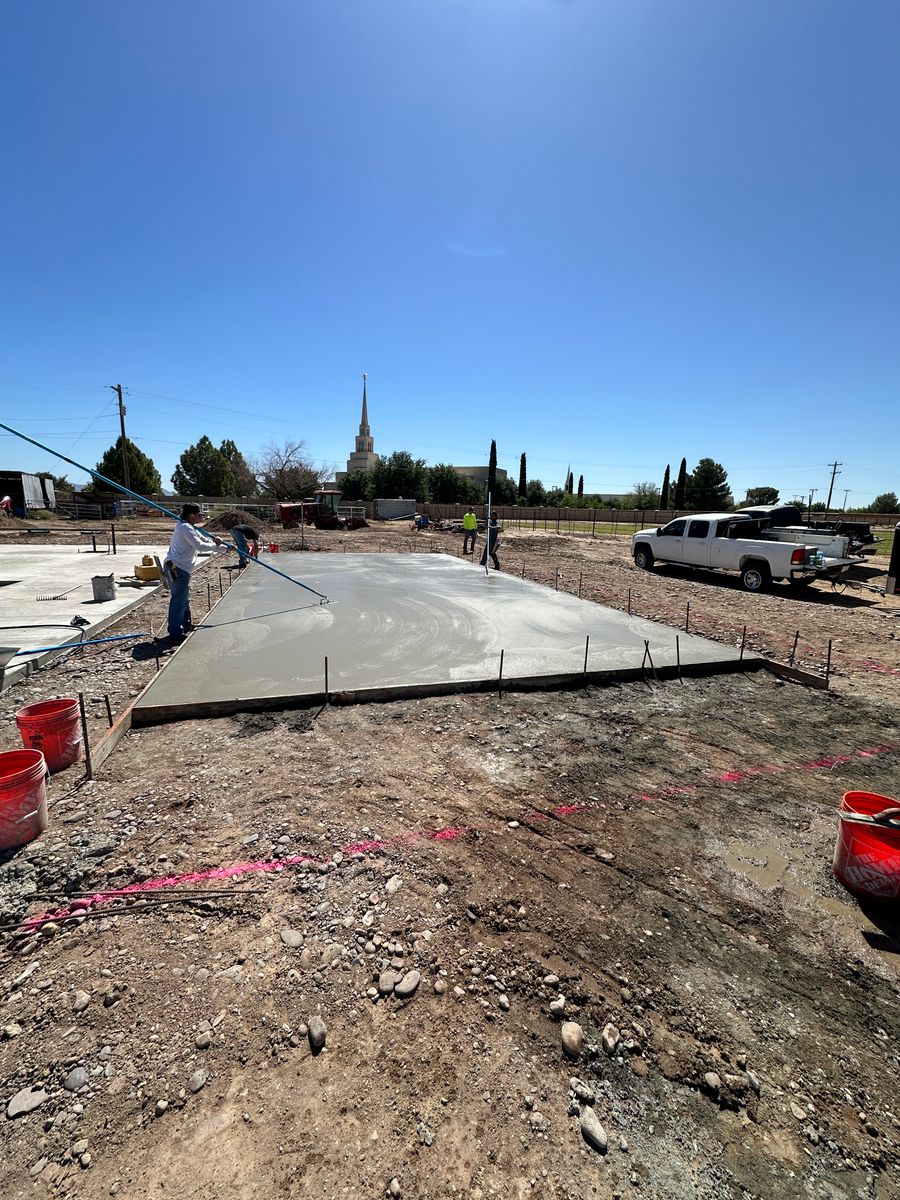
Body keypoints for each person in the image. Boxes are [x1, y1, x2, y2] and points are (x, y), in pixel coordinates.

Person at [164, 504, 227, 641]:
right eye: (200, 515)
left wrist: (225, 548)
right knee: (179, 601)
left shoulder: (189, 527)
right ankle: (175, 634)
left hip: (181, 568)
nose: (201, 517)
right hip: (177, 568)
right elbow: (200, 546)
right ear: (191, 515)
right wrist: (216, 545)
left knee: (184, 599)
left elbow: (205, 540)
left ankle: (185, 626)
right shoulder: (185, 528)